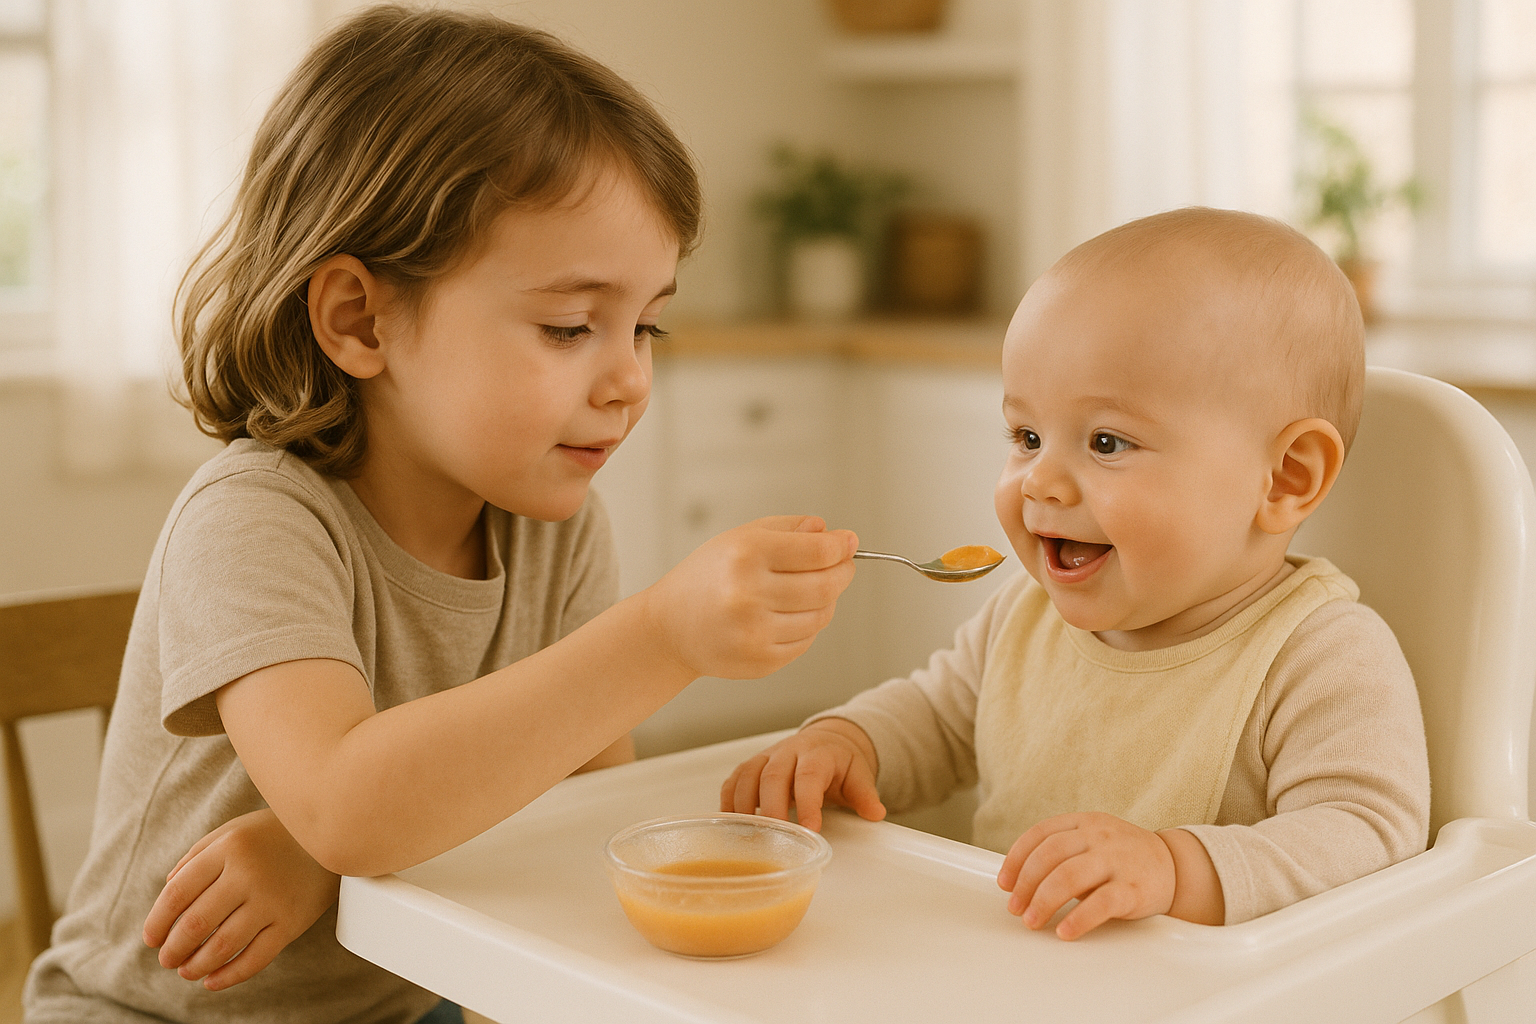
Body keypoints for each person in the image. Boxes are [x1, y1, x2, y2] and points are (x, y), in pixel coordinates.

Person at [24, 7, 857, 1022]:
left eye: (646, 326)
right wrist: (661, 635)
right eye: (570, 326)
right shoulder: (250, 521)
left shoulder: (556, 528)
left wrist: (320, 861)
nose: (631, 379)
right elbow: (345, 805)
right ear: (360, 319)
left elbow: (573, 817)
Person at [721, 207, 1431, 942]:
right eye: (1027, 436)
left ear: (1285, 477)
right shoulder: (1023, 616)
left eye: (1106, 442)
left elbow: (1370, 833)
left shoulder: (1319, 654)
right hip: (1017, 972)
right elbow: (936, 717)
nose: (1040, 481)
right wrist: (850, 745)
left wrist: (1176, 869)